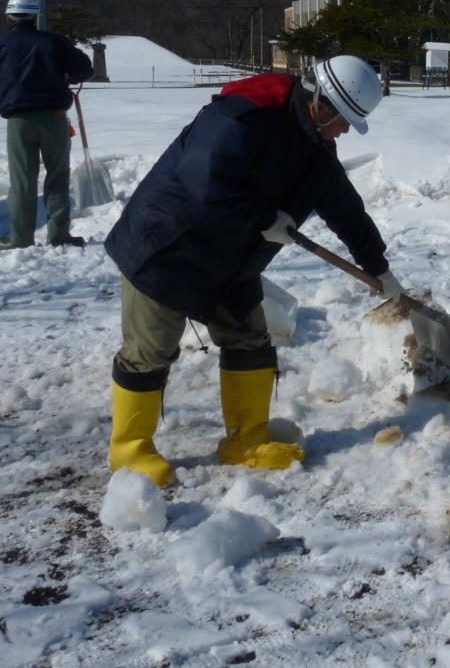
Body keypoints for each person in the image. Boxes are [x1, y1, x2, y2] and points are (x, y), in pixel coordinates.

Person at [103, 55, 404, 487]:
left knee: (249, 340)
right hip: (168, 246)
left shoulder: (315, 148)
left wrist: (379, 267)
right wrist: (263, 217)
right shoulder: (241, 118)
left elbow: (345, 209)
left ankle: (246, 439)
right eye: (343, 121)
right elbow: (202, 180)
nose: (343, 132)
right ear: (321, 104)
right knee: (150, 350)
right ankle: (129, 451)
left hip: (231, 260)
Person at [0, 0, 94, 250]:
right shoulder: (54, 43)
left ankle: (20, 238)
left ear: (8, 16)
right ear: (34, 16)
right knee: (58, 178)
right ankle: (59, 236)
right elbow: (85, 69)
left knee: (22, 181)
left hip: (19, 122)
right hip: (54, 119)